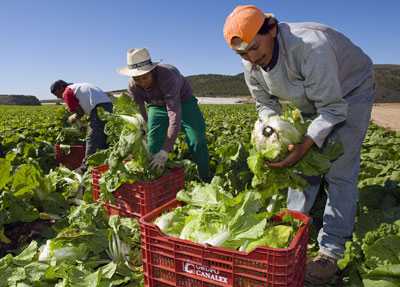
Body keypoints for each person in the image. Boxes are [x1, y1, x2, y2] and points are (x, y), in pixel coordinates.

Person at [223, 5, 375, 285]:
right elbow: (265, 104)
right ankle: (293, 229)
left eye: (256, 47)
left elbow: (331, 109)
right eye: (243, 54)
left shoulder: (310, 47)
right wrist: (275, 136)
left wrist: (306, 143)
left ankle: (331, 252)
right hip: (311, 101)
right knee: (302, 169)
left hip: (349, 93)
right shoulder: (250, 62)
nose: (253, 57)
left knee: (339, 170)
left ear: (272, 29)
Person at [117, 47, 212, 183]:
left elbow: (174, 116)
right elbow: (140, 112)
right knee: (153, 143)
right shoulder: (132, 87)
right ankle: (157, 180)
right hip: (156, 106)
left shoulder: (168, 77)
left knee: (197, 140)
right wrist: (142, 130)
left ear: (153, 71)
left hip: (184, 103)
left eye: (145, 77)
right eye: (137, 79)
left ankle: (205, 177)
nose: (142, 83)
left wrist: (165, 152)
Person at [50, 80, 113, 173]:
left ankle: (85, 169)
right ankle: (103, 166)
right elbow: (92, 102)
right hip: (107, 105)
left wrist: (74, 116)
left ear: (61, 88)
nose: (58, 97)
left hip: (100, 107)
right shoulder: (76, 87)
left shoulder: (66, 92)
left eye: (57, 93)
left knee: (92, 139)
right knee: (103, 138)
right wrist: (90, 117)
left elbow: (79, 113)